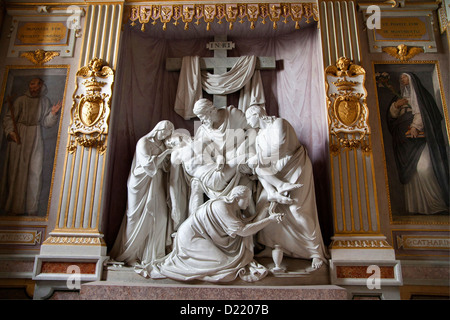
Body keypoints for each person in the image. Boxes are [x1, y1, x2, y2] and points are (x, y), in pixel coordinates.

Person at [245, 105, 328, 270]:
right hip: (275, 173)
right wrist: (256, 162)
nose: (248, 122)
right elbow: (263, 161)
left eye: (249, 118)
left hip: (294, 166)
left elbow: (280, 147)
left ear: (256, 114)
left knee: (298, 210)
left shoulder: (278, 123)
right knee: (266, 207)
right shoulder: (260, 135)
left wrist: (257, 159)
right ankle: (272, 247)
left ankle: (315, 252)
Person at [150, 185, 284, 282]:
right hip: (192, 238)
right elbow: (243, 231)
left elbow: (247, 225)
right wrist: (269, 220)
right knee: (224, 263)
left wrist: (266, 210)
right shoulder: (222, 207)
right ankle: (179, 264)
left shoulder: (234, 208)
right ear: (237, 198)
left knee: (227, 262)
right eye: (247, 200)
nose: (249, 204)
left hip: (206, 238)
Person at [109, 120, 175, 277]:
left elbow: (165, 167)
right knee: (135, 218)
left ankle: (154, 255)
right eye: (164, 132)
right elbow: (148, 165)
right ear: (157, 129)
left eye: (167, 133)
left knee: (160, 217)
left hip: (156, 183)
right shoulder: (143, 142)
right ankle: (130, 255)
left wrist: (169, 158)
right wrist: (166, 154)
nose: (165, 135)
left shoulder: (163, 144)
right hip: (140, 183)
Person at [387, 73, 449, 215]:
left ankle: (437, 204)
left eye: (405, 77)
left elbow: (425, 113)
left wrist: (415, 126)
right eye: (401, 78)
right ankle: (417, 208)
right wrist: (396, 105)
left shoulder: (422, 96)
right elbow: (391, 117)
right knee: (412, 173)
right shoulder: (398, 97)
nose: (402, 79)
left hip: (421, 140)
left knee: (425, 167)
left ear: (412, 79)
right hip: (404, 142)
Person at [0, 77, 62, 215]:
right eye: (32, 84)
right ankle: (15, 207)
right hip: (20, 136)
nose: (35, 87)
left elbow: (46, 123)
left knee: (35, 170)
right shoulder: (20, 100)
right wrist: (11, 132)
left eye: (38, 84)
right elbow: (9, 118)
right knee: (17, 171)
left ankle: (31, 208)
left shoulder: (45, 101)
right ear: (29, 86)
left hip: (35, 137)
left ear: (42, 86)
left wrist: (52, 113)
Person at [187, 98, 252, 214]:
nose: (201, 120)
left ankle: (244, 219)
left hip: (238, 157)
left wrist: (244, 146)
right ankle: (195, 222)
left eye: (202, 116)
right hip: (217, 166)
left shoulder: (232, 115)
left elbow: (253, 129)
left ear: (210, 111)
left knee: (242, 169)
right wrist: (216, 159)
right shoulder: (203, 130)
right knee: (196, 182)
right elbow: (202, 151)